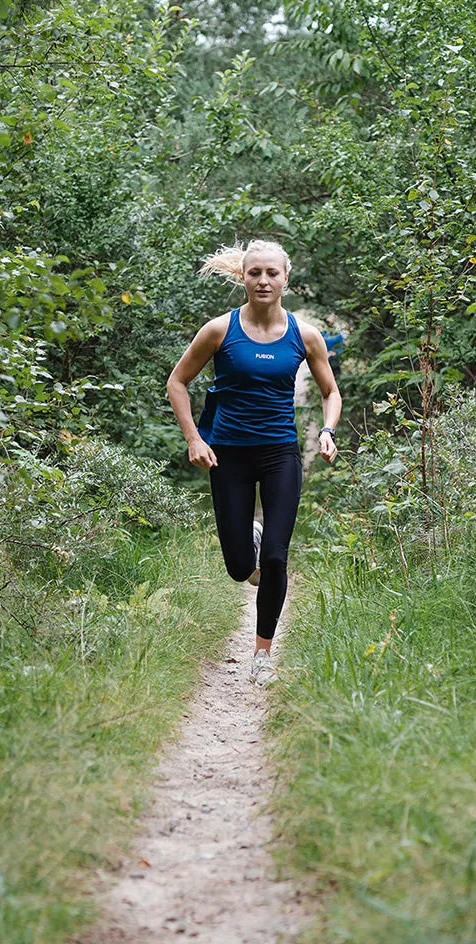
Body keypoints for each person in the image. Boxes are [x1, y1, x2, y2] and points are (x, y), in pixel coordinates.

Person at [166, 239, 342, 687]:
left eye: (271, 273)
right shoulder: (218, 331)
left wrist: (327, 430)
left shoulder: (305, 336)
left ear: (286, 278)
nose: (263, 281)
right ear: (243, 278)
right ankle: (252, 536)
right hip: (230, 453)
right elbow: (177, 383)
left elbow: (330, 392)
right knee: (240, 567)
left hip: (280, 452)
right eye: (254, 273)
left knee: (278, 559)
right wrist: (193, 439)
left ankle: (262, 654)